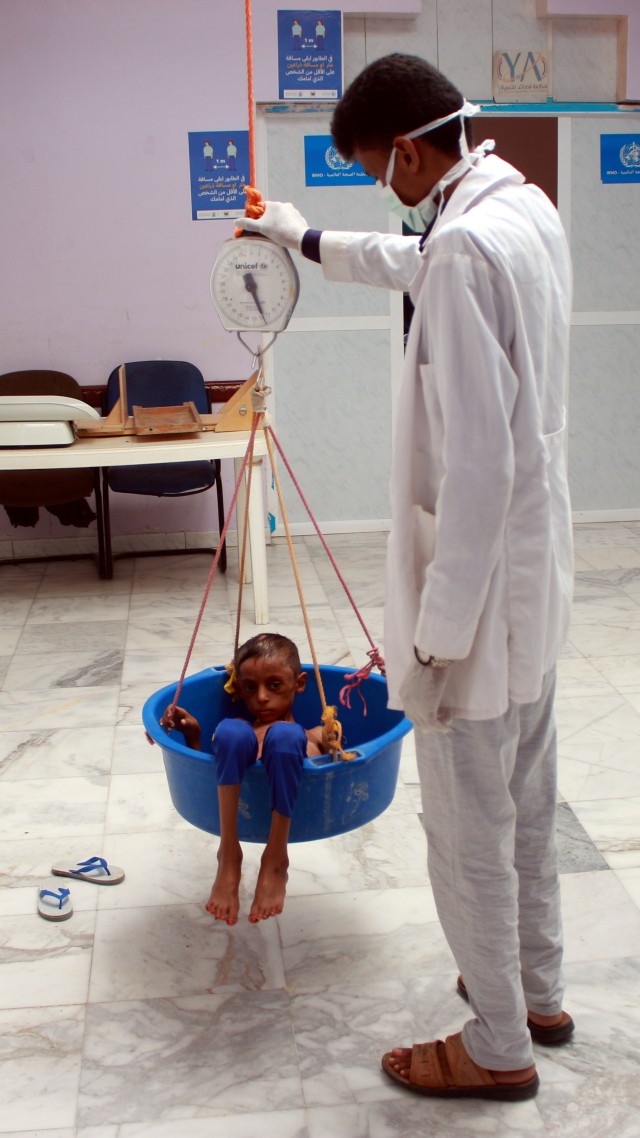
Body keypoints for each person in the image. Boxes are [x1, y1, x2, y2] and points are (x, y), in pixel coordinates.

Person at [240, 54, 574, 1101]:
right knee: (525, 796)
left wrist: (433, 629)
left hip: (475, 602)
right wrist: (298, 234)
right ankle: (539, 989)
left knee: (467, 825)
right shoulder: (517, 208)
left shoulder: (467, 244)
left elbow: (477, 462)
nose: (382, 187)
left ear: (411, 151)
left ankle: (495, 1045)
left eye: (376, 168)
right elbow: (409, 258)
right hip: (533, 580)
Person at [161, 633, 325, 926]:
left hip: (293, 806)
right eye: (250, 688)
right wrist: (194, 736)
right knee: (231, 730)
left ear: (299, 684)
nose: (262, 697)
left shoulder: (314, 734)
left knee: (286, 735)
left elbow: (341, 768)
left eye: (274, 685)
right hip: (236, 809)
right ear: (239, 689)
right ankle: (228, 853)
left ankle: (276, 858)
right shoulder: (239, 733)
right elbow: (204, 778)